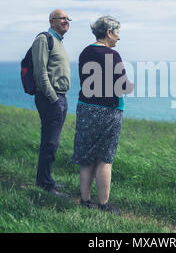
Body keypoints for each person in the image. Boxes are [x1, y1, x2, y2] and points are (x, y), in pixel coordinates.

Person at [71, 16, 134, 215]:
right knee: (105, 159)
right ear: (108, 32)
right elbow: (123, 86)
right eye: (117, 33)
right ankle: (104, 206)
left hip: (86, 107)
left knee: (87, 157)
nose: (119, 38)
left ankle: (85, 201)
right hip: (109, 110)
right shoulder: (112, 55)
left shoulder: (84, 52)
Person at [32, 9, 71, 196]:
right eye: (62, 18)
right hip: (51, 98)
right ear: (51, 21)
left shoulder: (59, 42)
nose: (66, 21)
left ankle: (45, 180)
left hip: (61, 97)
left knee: (51, 143)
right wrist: (54, 98)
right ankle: (45, 185)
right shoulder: (43, 39)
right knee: (50, 142)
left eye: (67, 19)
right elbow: (40, 73)